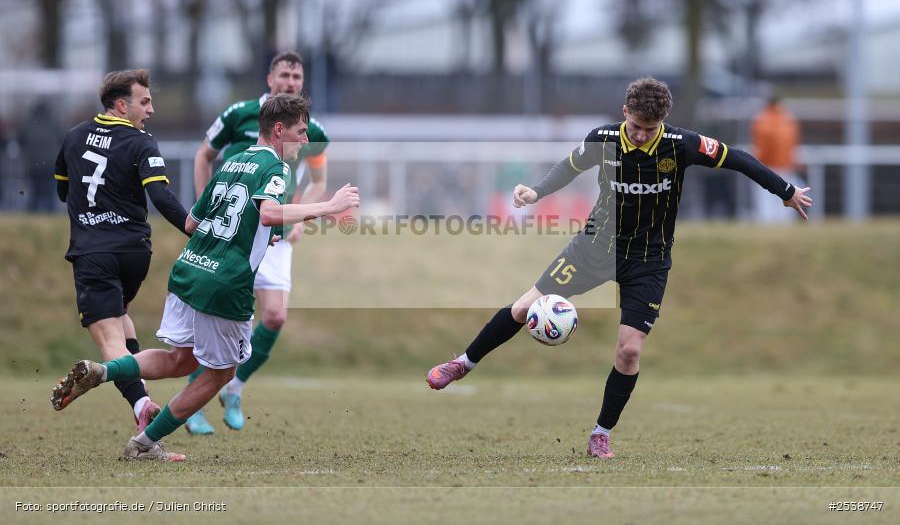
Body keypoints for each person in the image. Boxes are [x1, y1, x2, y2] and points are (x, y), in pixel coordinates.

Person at [426, 77, 812, 459]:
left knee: (629, 352)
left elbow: (739, 159)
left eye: (650, 129)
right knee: (522, 308)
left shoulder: (681, 145)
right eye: (636, 127)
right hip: (594, 248)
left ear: (662, 121)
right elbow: (569, 167)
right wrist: (536, 191)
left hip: (649, 260)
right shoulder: (603, 139)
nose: (642, 136)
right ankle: (462, 363)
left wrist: (785, 191)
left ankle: (600, 434)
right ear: (624, 112)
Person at [51, 93, 360, 461]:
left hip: (189, 269)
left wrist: (271, 227)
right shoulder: (277, 169)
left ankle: (104, 371)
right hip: (225, 285)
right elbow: (268, 213)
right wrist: (330, 206)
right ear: (279, 130)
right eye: (300, 131)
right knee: (219, 375)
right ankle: (144, 444)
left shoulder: (231, 163)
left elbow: (195, 222)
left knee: (179, 361)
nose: (305, 141)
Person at [185, 51, 329, 435]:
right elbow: (204, 156)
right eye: (285, 74)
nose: (292, 82)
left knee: (275, 316)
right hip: (237, 231)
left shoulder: (307, 126)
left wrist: (299, 212)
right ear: (270, 79)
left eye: (298, 76)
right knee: (229, 316)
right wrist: (208, 211)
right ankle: (192, 401)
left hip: (276, 228)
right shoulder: (240, 114)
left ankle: (234, 387)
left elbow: (317, 178)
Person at [52, 69, 191, 432]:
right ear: (120, 105)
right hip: (134, 253)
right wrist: (196, 230)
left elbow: (63, 190)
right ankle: (140, 389)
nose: (151, 109)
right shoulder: (141, 143)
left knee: (110, 339)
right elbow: (160, 196)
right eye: (144, 102)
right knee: (121, 316)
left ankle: (140, 403)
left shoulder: (73, 136)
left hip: (93, 253)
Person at [751, 95, 803, 223]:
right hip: (786, 166)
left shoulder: (762, 119)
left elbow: (760, 147)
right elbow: (793, 144)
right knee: (787, 197)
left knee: (766, 201)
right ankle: (786, 225)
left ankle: (767, 225)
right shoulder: (788, 119)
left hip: (766, 166)